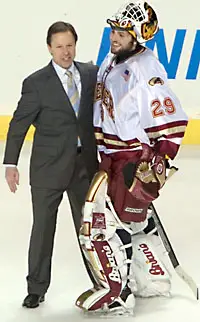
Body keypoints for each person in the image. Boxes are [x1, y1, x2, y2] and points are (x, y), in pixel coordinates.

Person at [75, 1, 188, 316]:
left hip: (129, 157)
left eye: (123, 32)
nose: (115, 36)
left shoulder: (145, 68)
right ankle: (153, 280)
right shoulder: (115, 59)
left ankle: (116, 292)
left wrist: (157, 163)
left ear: (139, 35)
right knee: (136, 223)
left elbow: (171, 122)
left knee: (105, 224)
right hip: (110, 154)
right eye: (114, 30)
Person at [3, 21, 98, 308]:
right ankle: (36, 288)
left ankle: (103, 283)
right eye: (59, 47)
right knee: (43, 229)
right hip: (48, 169)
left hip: (84, 168)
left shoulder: (91, 74)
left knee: (91, 231)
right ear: (49, 48)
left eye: (69, 45)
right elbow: (18, 125)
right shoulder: (36, 83)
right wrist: (10, 163)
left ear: (75, 45)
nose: (65, 52)